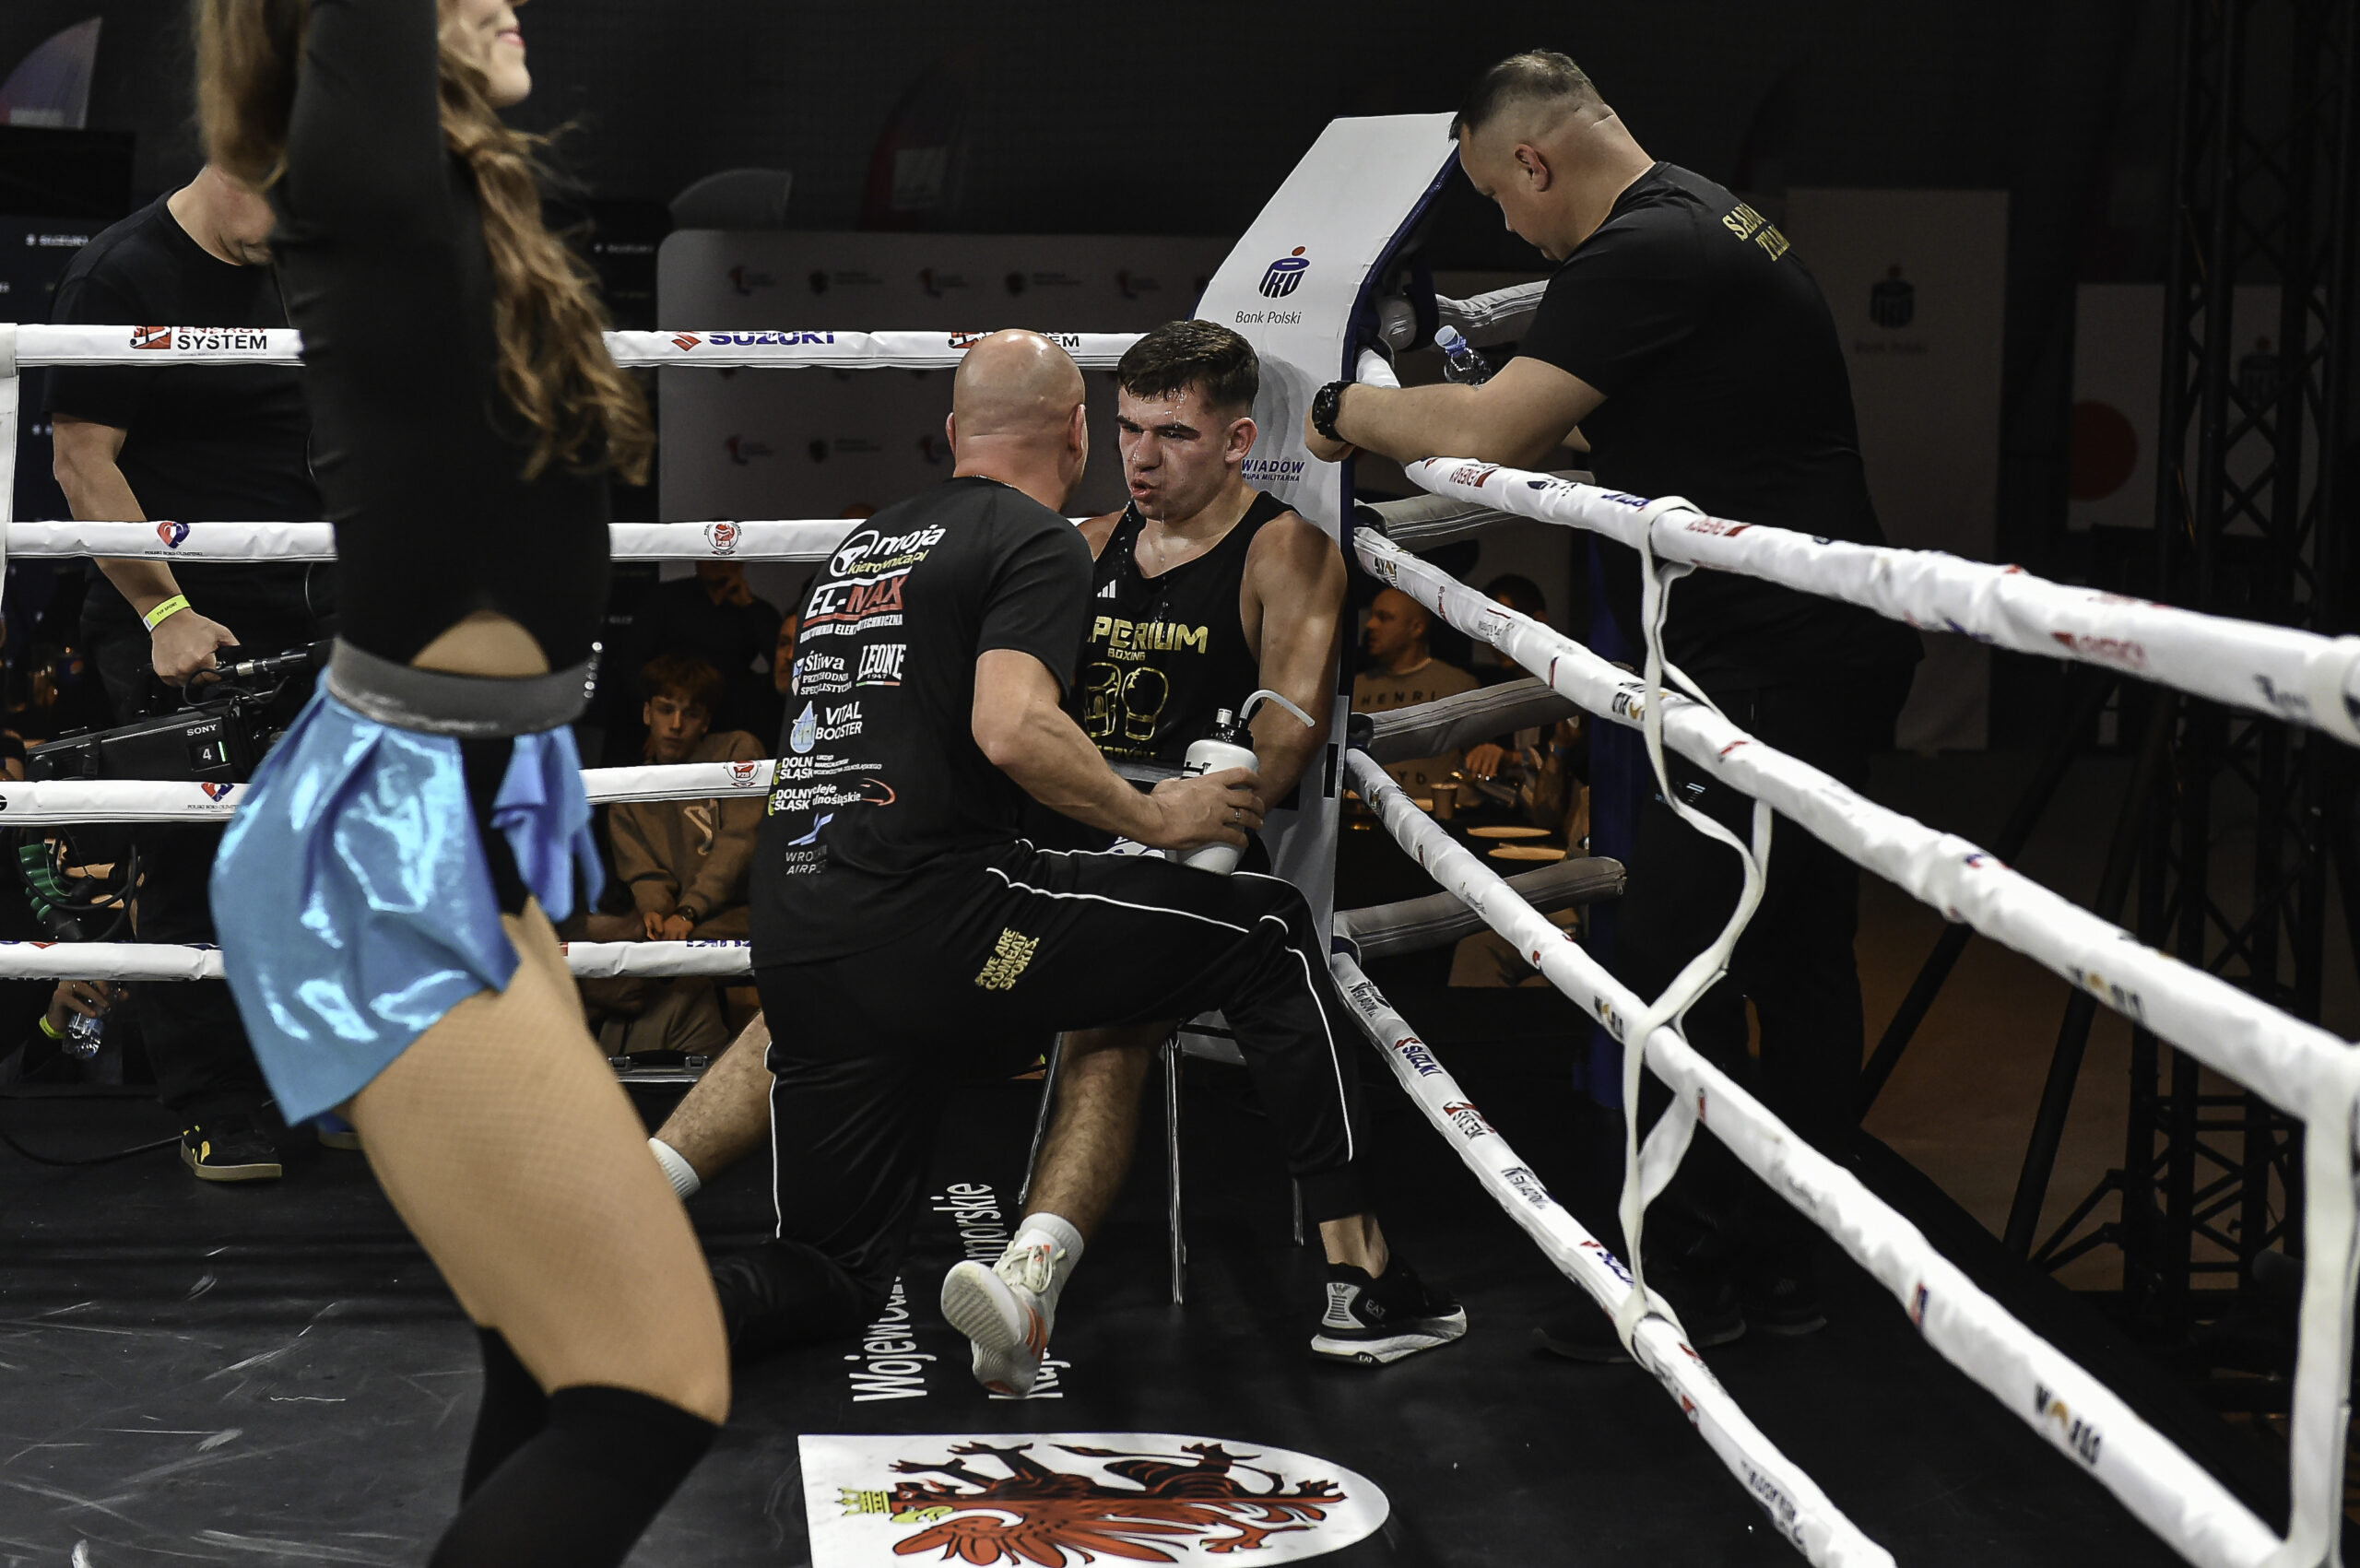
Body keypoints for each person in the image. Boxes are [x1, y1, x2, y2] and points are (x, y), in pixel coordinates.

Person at [196, 1, 725, 1562]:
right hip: (384, 842)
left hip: (465, 807)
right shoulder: (356, 180)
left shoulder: (445, 205)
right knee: (652, 1389)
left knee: (548, 1359)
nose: (506, 2)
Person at [711, 328, 1462, 1397]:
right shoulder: (1067, 539)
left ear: (1236, 441)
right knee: (1244, 941)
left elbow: (1283, 744)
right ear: (1083, 431)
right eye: (1127, 430)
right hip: (1011, 876)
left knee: (1106, 1021)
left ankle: (1022, 1280)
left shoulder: (1279, 551)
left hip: (1117, 858)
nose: (1141, 457)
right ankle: (1366, 1277)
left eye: (1173, 435)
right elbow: (1006, 723)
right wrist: (1122, 813)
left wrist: (1186, 807)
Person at [1304, 50, 1920, 1353]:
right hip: (1806, 646)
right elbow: (1639, 428)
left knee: (1667, 964)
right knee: (1796, 959)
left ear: (1533, 160)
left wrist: (1338, 405)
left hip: (1768, 662)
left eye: (1497, 197)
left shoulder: (1645, 251)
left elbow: (1494, 432)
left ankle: (1681, 1271)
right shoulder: (1703, 216)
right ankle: (1784, 1262)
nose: (1507, 224)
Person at [49, 160, 333, 1183]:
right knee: (189, 859)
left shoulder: (301, 262)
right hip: (170, 608)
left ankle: (307, 1082)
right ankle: (213, 1104)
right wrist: (164, 610)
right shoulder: (119, 274)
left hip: (307, 599)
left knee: (320, 853)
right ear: (227, 160)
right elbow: (82, 461)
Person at [580, 653, 761, 1055]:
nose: (676, 725)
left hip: (740, 914)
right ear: (648, 713)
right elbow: (646, 875)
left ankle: (593, 1026)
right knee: (592, 941)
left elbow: (738, 845)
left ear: (706, 721)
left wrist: (687, 912)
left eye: (690, 714)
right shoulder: (629, 790)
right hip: (680, 923)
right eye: (666, 710)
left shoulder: (736, 749)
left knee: (643, 958)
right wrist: (655, 914)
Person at [629, 559, 784, 741]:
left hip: (730, 723)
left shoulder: (757, 610)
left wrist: (749, 605)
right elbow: (633, 661)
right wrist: (655, 723)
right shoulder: (665, 598)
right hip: (671, 715)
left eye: (724, 552)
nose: (715, 560)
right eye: (709, 552)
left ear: (740, 561)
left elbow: (784, 666)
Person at [1351, 586, 1479, 798]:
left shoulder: (1457, 686)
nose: (1370, 625)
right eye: (1372, 616)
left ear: (1417, 627)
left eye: (1384, 618)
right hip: (1363, 811)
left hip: (1433, 814)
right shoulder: (1357, 687)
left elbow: (1480, 763)